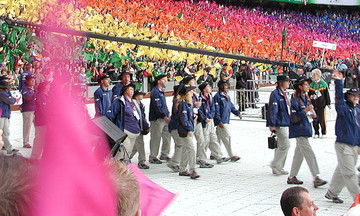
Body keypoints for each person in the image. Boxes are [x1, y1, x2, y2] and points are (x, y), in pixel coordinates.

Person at [325, 70, 360, 204]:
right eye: (353, 95)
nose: (356, 97)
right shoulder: (343, 108)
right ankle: (358, 200)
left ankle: (332, 192)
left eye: (357, 95)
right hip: (344, 144)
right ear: (348, 97)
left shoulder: (358, 110)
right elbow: (338, 98)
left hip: (354, 145)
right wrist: (338, 82)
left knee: (342, 169)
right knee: (350, 173)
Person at [287, 76, 327, 188]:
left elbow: (308, 113)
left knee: (298, 154)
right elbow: (294, 116)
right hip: (299, 130)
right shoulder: (295, 99)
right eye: (305, 85)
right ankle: (316, 177)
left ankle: (292, 176)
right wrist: (306, 110)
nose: (308, 86)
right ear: (300, 87)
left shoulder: (306, 98)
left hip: (305, 128)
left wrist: (312, 114)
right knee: (309, 153)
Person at [108, 84, 146, 161]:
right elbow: (110, 115)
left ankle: (123, 168)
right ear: (125, 91)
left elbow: (140, 116)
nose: (132, 91)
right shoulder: (119, 101)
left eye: (133, 90)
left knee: (128, 153)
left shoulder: (134, 102)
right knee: (122, 152)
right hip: (125, 131)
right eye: (130, 89)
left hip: (135, 131)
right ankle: (116, 169)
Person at [198, 81, 230, 164]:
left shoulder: (210, 97)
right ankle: (200, 157)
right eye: (208, 87)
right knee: (205, 140)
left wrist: (210, 116)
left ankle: (218, 156)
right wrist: (205, 118)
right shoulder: (201, 98)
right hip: (204, 121)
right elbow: (199, 110)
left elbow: (213, 108)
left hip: (210, 120)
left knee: (213, 138)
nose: (210, 88)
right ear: (204, 89)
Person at [267, 75, 291, 175]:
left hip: (285, 121)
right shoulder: (276, 94)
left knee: (281, 145)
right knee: (285, 145)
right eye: (287, 81)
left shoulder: (284, 93)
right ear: (281, 82)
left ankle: (279, 167)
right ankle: (275, 164)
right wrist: (271, 123)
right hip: (279, 123)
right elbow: (273, 109)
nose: (289, 83)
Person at [214, 80, 242, 162]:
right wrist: (219, 121)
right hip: (222, 120)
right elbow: (217, 110)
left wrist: (237, 113)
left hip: (226, 119)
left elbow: (231, 106)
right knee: (227, 137)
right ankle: (231, 154)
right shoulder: (217, 97)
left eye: (226, 85)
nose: (225, 86)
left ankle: (214, 153)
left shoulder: (227, 96)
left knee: (218, 138)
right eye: (224, 85)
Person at [177, 84, 200, 179]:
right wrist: (189, 129)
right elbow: (183, 119)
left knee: (186, 149)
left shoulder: (187, 104)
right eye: (190, 91)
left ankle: (182, 168)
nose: (192, 92)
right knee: (191, 149)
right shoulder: (183, 105)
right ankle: (193, 169)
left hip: (187, 129)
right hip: (185, 130)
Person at [148, 74, 171, 164]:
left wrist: (167, 114)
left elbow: (164, 105)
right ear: (158, 81)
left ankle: (164, 153)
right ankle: (153, 156)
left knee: (167, 135)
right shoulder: (155, 91)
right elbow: (157, 106)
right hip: (157, 118)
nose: (165, 81)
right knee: (156, 137)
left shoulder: (161, 91)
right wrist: (164, 116)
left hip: (164, 117)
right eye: (163, 79)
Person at [130, 90, 151, 169]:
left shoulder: (140, 104)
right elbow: (140, 117)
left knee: (136, 146)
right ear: (136, 96)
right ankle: (142, 161)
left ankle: (126, 157)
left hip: (139, 126)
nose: (142, 96)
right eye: (140, 94)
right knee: (140, 144)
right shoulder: (135, 104)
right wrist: (146, 126)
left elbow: (143, 117)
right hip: (137, 127)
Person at [309, 69, 331, 138]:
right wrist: (310, 97)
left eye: (314, 75)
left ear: (318, 75)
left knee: (322, 119)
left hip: (321, 104)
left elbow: (326, 94)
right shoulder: (311, 84)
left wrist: (328, 103)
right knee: (315, 119)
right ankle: (316, 132)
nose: (313, 76)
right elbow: (309, 94)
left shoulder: (323, 84)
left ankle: (323, 132)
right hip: (314, 104)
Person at [32, 81, 50, 159]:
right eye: (48, 85)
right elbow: (44, 110)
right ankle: (34, 159)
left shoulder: (46, 96)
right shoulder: (41, 96)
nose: (49, 86)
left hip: (45, 121)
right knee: (39, 141)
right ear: (45, 87)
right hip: (41, 122)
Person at [167, 85, 182, 172]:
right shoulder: (177, 101)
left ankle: (177, 162)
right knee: (180, 144)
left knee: (179, 144)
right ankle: (174, 162)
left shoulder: (177, 100)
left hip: (175, 125)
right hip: (175, 126)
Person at [0, 80, 17, 155]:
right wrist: (11, 97)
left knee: (6, 132)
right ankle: (8, 148)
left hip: (5, 114)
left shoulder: (5, 93)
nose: (8, 89)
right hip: (2, 115)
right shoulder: (2, 93)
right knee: (3, 132)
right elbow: (11, 100)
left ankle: (8, 148)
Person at [21, 74, 36, 149]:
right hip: (28, 109)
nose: (33, 82)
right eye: (31, 80)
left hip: (35, 109)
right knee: (27, 126)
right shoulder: (25, 89)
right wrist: (33, 94)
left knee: (37, 126)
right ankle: (26, 142)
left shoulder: (35, 88)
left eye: (34, 80)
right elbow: (27, 97)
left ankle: (37, 141)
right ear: (27, 81)